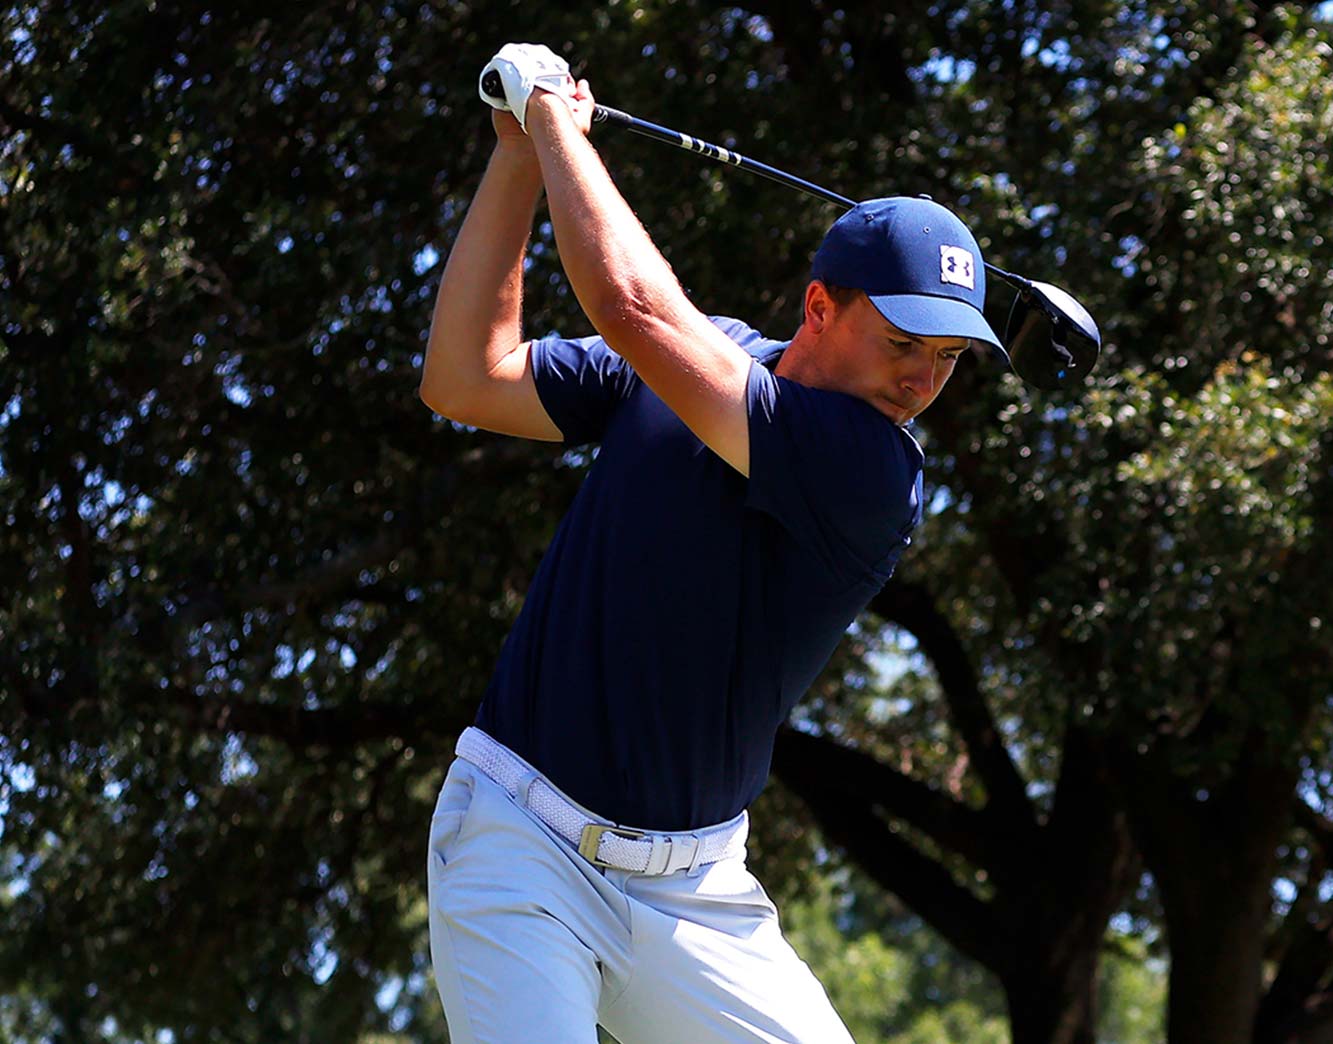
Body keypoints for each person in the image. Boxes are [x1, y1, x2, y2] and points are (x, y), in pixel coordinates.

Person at [416, 44, 1005, 1044]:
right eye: (902, 342)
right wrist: (517, 153)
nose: (921, 380)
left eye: (947, 357)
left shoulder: (875, 470)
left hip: (694, 893)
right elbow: (464, 379)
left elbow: (637, 309)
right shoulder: (707, 354)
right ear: (819, 306)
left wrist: (556, 122)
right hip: (516, 837)